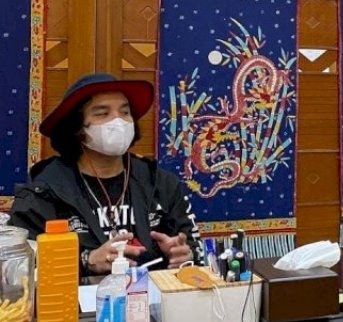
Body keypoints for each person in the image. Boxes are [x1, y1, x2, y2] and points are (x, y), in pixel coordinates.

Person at [10, 73, 204, 277]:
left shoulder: (160, 182)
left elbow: (193, 247)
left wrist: (182, 255)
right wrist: (86, 261)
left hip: (154, 293)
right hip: (75, 296)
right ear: (78, 129)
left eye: (125, 112)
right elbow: (20, 266)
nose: (118, 121)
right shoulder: (45, 190)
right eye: (102, 114)